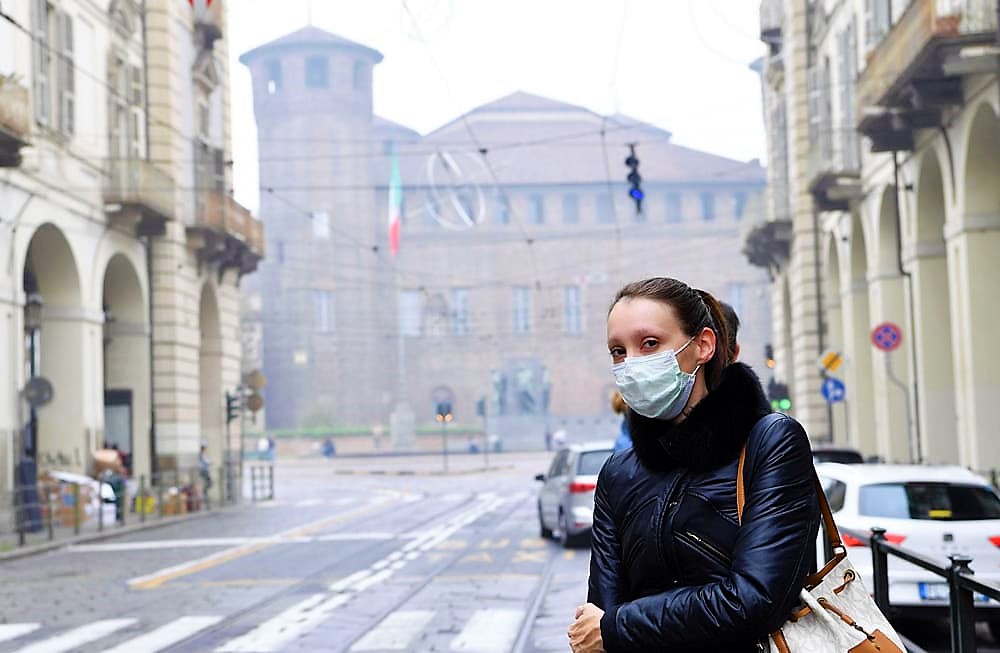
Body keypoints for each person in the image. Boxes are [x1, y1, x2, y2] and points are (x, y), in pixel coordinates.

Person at [568, 277, 819, 653]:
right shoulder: (619, 472)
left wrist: (619, 625)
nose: (631, 363)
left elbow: (754, 600)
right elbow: (599, 621)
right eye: (618, 351)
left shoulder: (770, 443)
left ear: (703, 345)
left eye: (649, 343)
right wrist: (611, 628)